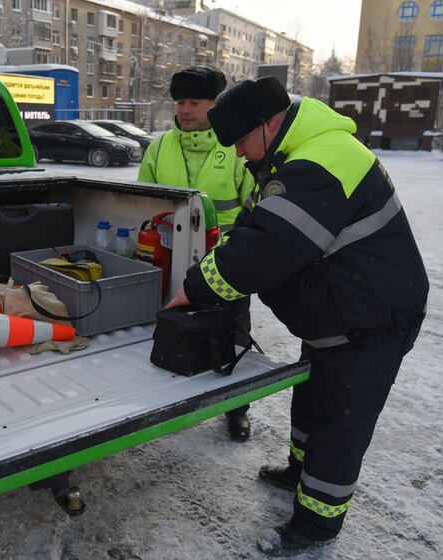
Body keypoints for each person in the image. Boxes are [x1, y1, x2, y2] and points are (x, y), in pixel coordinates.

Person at [166, 76, 429, 556]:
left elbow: (265, 249)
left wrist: (194, 288)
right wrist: (208, 263)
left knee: (339, 425)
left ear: (269, 124)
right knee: (311, 404)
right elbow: (252, 224)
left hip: (372, 323)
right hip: (338, 320)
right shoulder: (292, 155)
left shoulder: (323, 162)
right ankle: (298, 473)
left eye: (243, 141)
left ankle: (315, 526)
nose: (242, 154)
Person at [138, 66, 257, 442]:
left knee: (232, 335)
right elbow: (142, 201)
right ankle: (164, 403)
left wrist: (236, 254)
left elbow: (254, 209)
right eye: (181, 102)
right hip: (168, 260)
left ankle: (236, 408)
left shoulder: (237, 145)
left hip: (227, 264)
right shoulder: (160, 147)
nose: (186, 110)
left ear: (214, 104)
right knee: (168, 330)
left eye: (195, 102)